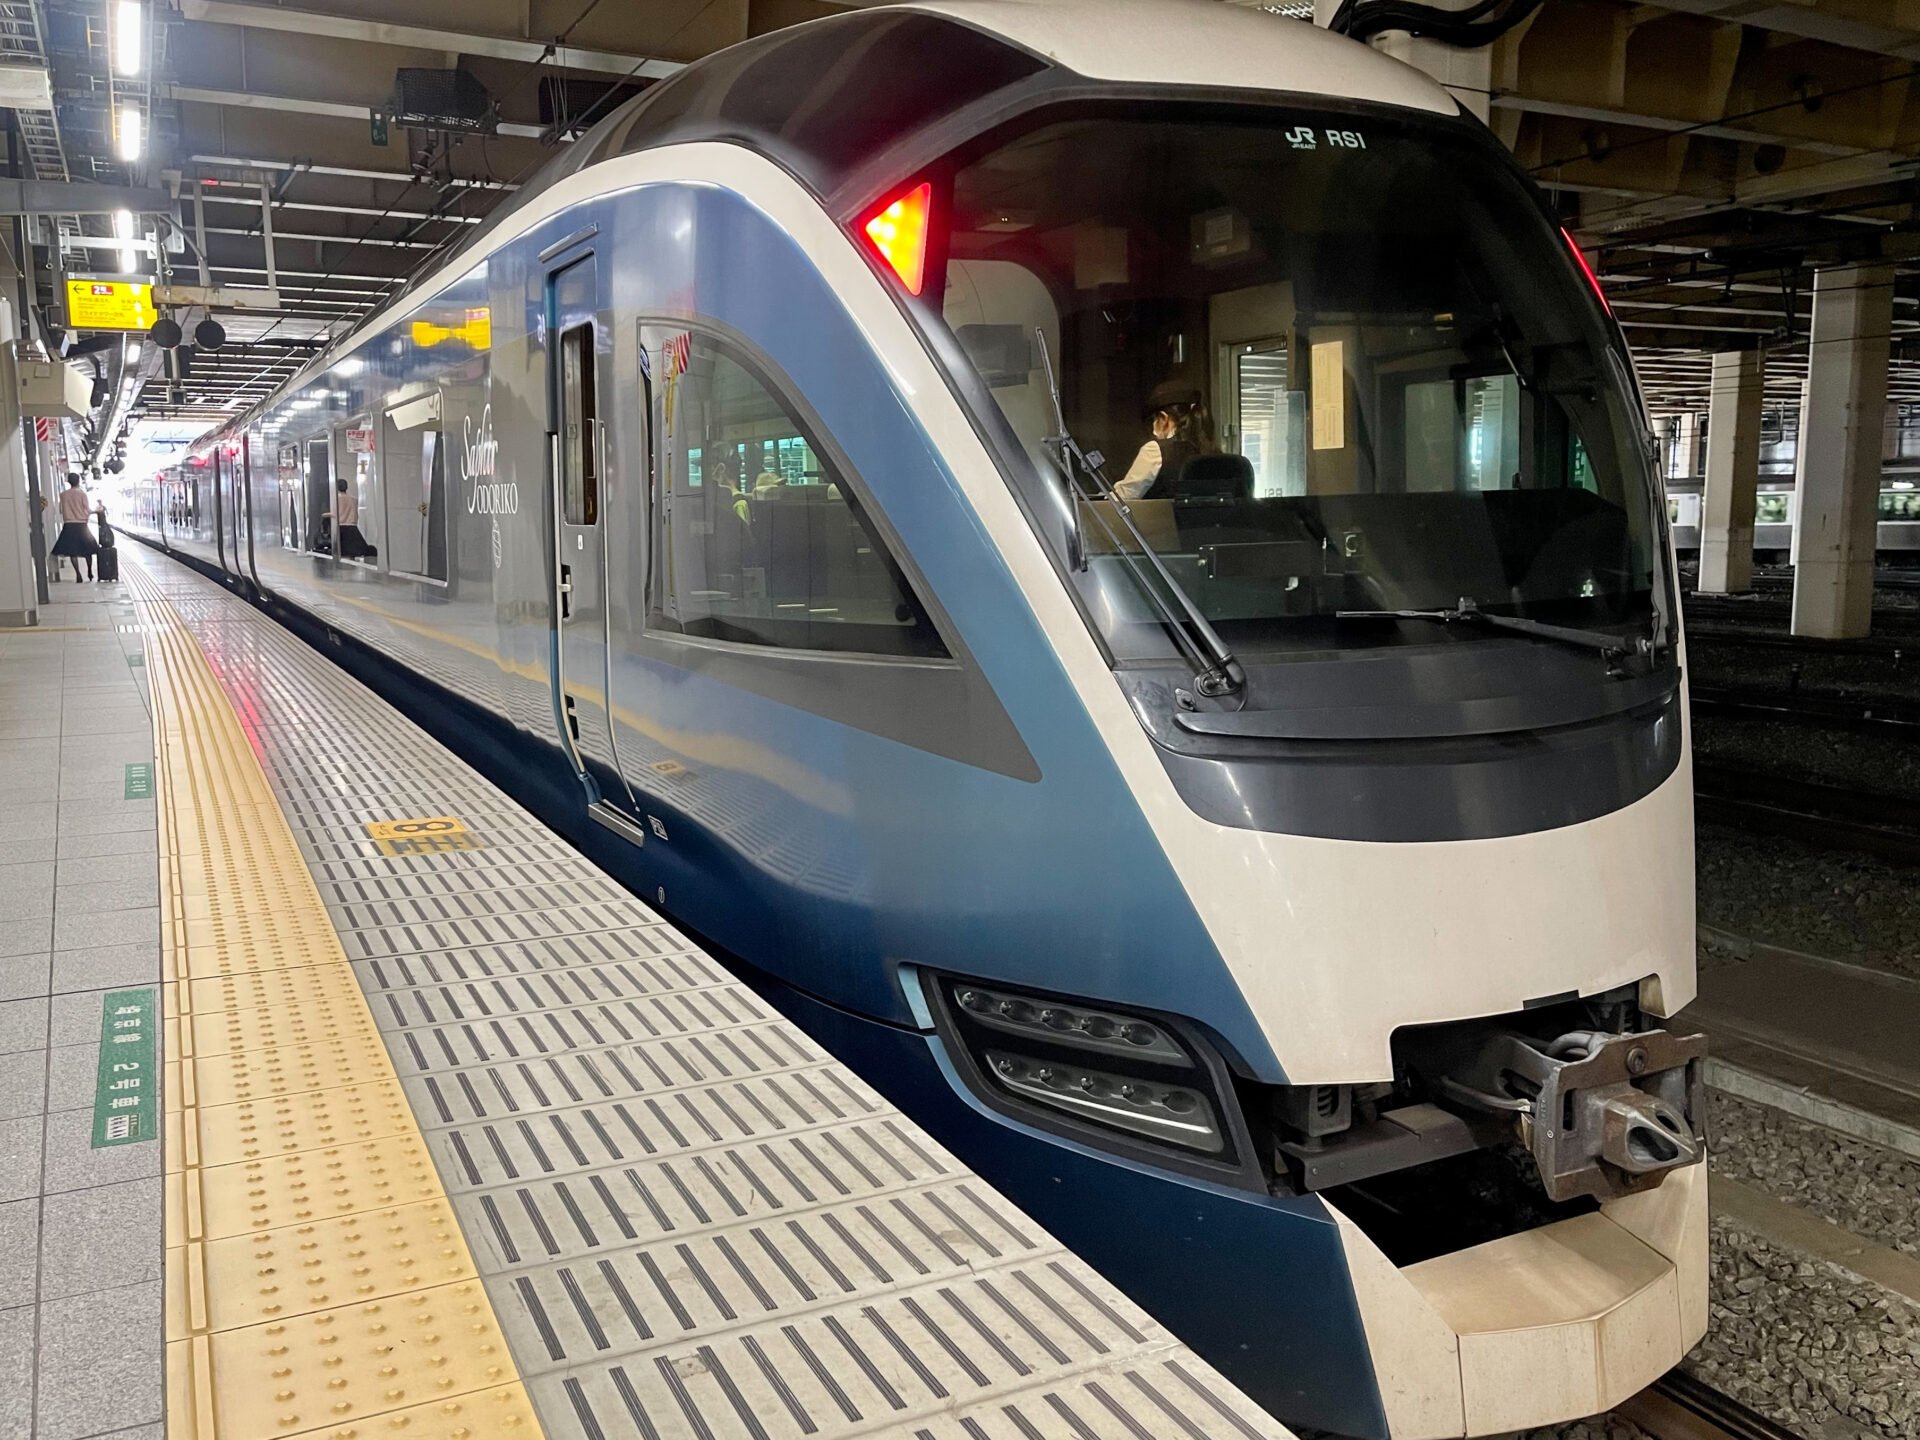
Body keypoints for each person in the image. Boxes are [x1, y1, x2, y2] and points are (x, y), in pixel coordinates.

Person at [1112, 382, 1216, 501]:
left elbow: (1126, 495)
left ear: (1163, 418)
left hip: (1164, 514)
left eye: (1154, 419)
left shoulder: (1155, 451)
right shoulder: (1213, 452)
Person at [49, 473, 99, 581]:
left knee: (72, 551)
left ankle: (78, 574)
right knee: (88, 550)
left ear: (69, 482)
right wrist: (96, 511)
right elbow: (87, 510)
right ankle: (89, 571)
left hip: (69, 525)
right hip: (82, 525)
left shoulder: (63, 495)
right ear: (78, 481)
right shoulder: (82, 494)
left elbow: (61, 510)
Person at [329, 476, 374, 559]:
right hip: (353, 528)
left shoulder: (335, 499)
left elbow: (334, 514)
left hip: (341, 528)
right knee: (353, 553)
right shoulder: (354, 499)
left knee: (341, 554)